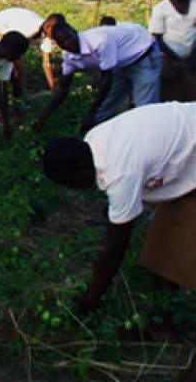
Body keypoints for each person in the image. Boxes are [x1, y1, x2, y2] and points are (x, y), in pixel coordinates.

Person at [42, 103, 196, 330]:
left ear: (82, 168)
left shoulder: (120, 173)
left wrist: (91, 298)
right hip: (187, 146)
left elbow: (115, 248)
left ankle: (171, 324)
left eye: (71, 183)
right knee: (161, 245)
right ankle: (166, 319)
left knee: (184, 243)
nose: (74, 190)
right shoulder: (94, 140)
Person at [34, 22, 160, 133]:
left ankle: (151, 142)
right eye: (63, 42)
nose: (68, 43)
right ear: (58, 45)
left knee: (145, 110)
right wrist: (42, 118)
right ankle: (97, 138)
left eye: (69, 38)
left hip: (143, 56)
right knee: (105, 107)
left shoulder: (99, 41)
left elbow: (106, 80)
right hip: (120, 64)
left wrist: (90, 113)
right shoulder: (68, 57)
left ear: (75, 32)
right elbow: (63, 88)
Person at [148, 0, 196, 102]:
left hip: (192, 56)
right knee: (168, 88)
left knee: (191, 93)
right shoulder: (161, 8)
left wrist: (191, 58)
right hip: (167, 56)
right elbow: (157, 39)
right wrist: (177, 59)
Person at [0, 8, 59, 94]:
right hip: (3, 22)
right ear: (47, 27)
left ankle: (19, 91)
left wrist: (53, 88)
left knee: (17, 65)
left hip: (18, 25)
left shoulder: (49, 35)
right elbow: (15, 53)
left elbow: (47, 64)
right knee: (0, 60)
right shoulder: (29, 30)